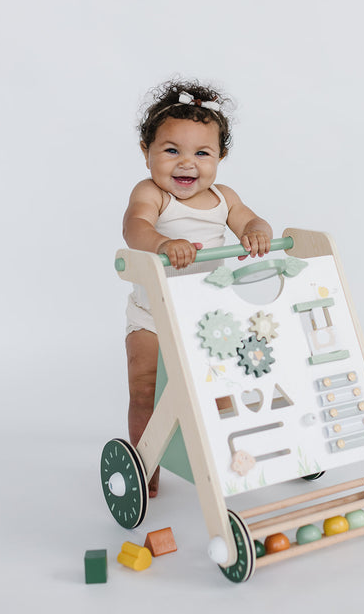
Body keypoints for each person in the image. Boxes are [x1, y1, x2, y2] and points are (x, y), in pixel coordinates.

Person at [123, 80, 272, 496]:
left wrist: (257, 233)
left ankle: (225, 458)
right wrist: (162, 244)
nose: (186, 164)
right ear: (145, 151)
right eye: (171, 150)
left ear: (220, 156)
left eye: (201, 153)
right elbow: (135, 227)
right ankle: (145, 466)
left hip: (207, 319)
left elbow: (251, 221)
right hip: (151, 317)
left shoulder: (223, 198)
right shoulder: (151, 194)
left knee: (219, 386)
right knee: (145, 389)